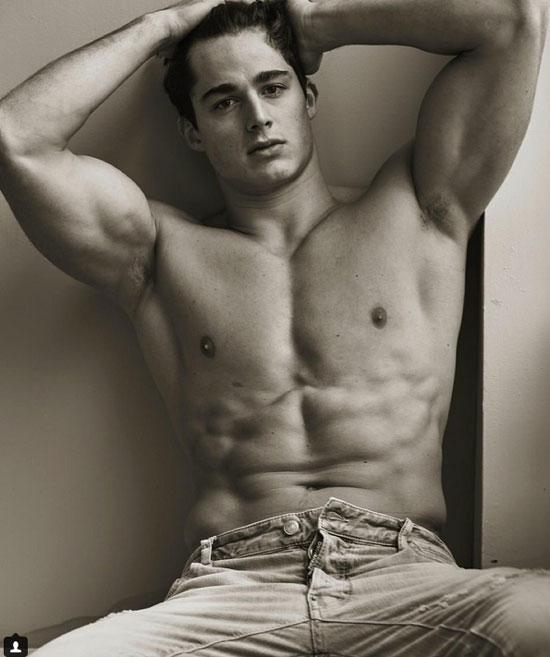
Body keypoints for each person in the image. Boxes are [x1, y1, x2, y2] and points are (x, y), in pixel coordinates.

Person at [0, 0, 548, 655]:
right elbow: (16, 137)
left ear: (307, 96)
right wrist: (159, 27)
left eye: (273, 86)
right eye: (224, 101)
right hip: (231, 591)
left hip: (405, 579)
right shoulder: (160, 253)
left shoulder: (420, 208)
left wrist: (316, 23)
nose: (257, 117)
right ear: (194, 131)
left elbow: (512, 22)